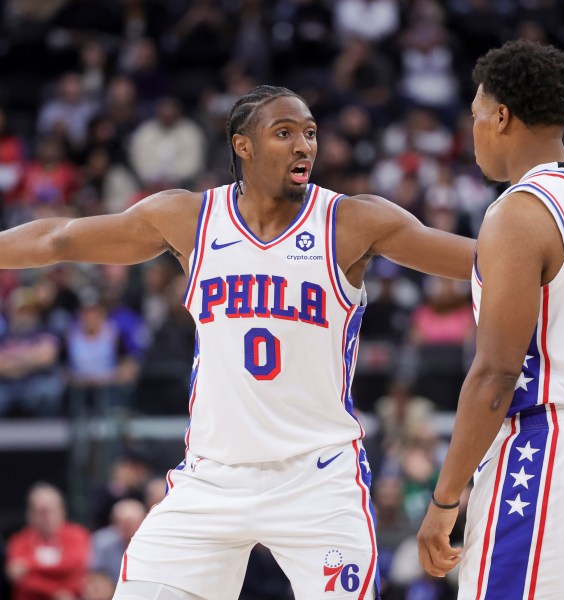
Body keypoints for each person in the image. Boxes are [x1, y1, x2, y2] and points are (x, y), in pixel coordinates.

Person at [0, 85, 474, 600]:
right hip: (212, 478)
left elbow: (483, 260)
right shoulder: (190, 218)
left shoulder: (350, 221)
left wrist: (555, 249)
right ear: (242, 145)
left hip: (318, 480)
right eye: (285, 132)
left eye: (310, 133)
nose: (304, 146)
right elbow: (60, 239)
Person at [416, 40, 564, 599]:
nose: (471, 130)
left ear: (500, 117)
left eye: (474, 115)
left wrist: (445, 501)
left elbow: (495, 374)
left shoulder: (521, 211)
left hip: (550, 453)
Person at [5, 482, 91, 600]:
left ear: (62, 510)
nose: (47, 518)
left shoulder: (78, 535)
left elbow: (76, 568)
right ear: (29, 513)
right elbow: (18, 578)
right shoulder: (19, 540)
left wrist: (28, 564)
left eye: (50, 511)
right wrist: (54, 592)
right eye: (41, 512)